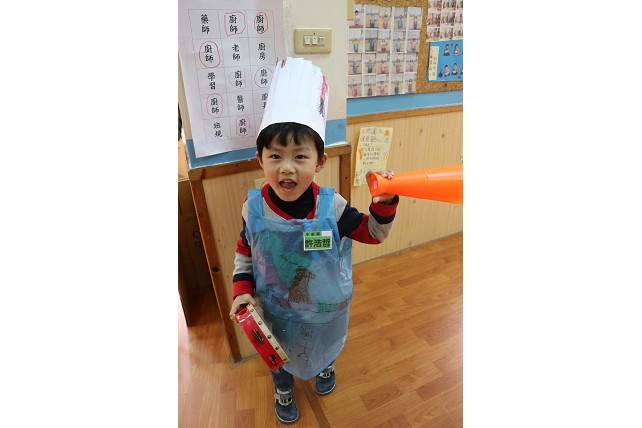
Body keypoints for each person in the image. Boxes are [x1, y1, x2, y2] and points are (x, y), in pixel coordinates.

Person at [228, 58, 399, 425]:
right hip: (274, 309)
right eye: (275, 156)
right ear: (260, 159)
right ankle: (283, 388)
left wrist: (383, 204)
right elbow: (245, 253)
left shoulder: (331, 207)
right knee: (277, 353)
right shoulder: (253, 209)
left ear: (319, 162)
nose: (286, 167)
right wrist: (241, 292)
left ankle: (324, 365)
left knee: (322, 345)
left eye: (300, 156)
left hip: (324, 310)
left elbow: (372, 232)